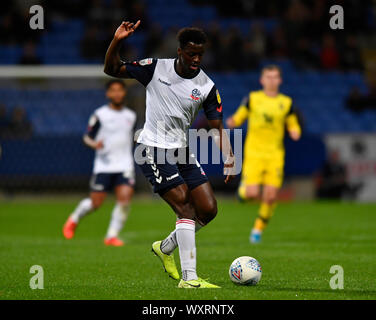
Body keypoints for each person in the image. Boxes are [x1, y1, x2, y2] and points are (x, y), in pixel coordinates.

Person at [104, 21, 236, 288]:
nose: (196, 59)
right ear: (180, 51)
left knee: (208, 210)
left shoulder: (207, 87)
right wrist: (117, 40)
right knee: (185, 207)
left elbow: (216, 127)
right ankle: (189, 279)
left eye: (200, 54)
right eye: (191, 54)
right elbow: (112, 69)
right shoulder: (155, 68)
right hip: (152, 147)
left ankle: (164, 248)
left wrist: (230, 156)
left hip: (182, 150)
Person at [226, 65, 301, 243]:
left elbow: (292, 122)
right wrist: (233, 121)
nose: (271, 80)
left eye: (275, 77)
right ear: (262, 80)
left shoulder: (286, 102)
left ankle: (257, 230)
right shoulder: (253, 99)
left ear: (280, 80)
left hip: (275, 154)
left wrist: (295, 130)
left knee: (271, 196)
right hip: (254, 153)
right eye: (268, 77)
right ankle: (242, 192)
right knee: (252, 194)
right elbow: (239, 117)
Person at [63, 80, 136, 247]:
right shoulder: (100, 115)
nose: (117, 93)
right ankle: (74, 218)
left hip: (125, 165)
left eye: (120, 90)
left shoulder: (130, 116)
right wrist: (94, 144)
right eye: (113, 90)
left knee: (124, 200)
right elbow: (87, 137)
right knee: (95, 203)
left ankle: (111, 236)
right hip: (104, 166)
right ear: (107, 94)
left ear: (124, 93)